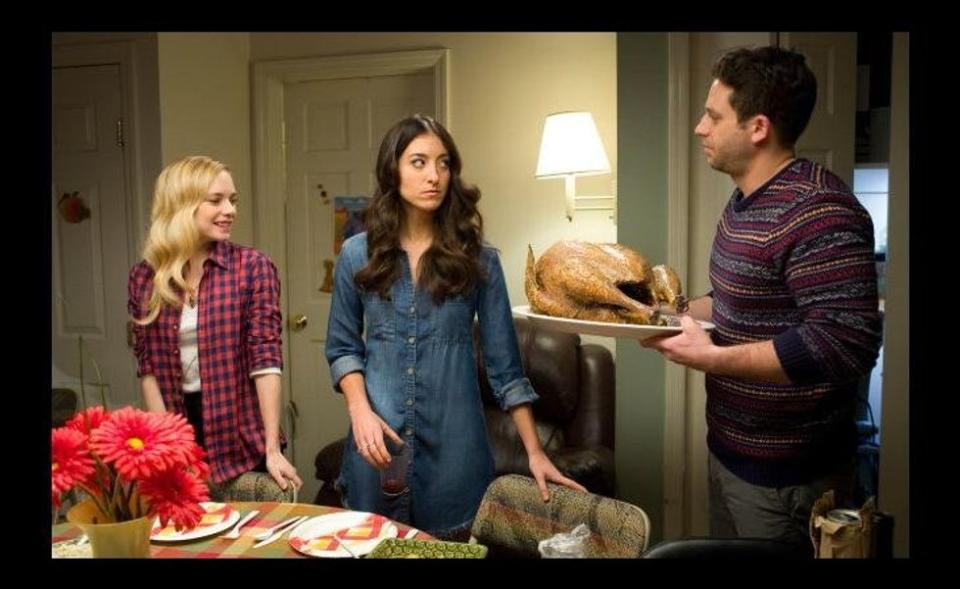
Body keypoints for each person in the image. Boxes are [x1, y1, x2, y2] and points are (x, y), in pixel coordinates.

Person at [642, 47, 882, 554]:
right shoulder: (744, 200)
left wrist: (714, 359)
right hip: (731, 455)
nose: (699, 128)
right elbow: (734, 303)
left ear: (757, 127)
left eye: (713, 115)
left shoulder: (821, 210)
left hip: (791, 480)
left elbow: (844, 344)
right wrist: (668, 314)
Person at [325, 114, 585, 539]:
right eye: (419, 162)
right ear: (393, 169)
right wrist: (360, 412)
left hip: (456, 459)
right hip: (377, 453)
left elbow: (506, 368)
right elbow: (342, 348)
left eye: (444, 163)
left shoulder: (480, 260)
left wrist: (535, 452)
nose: (435, 176)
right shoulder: (357, 254)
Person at [128, 155, 302, 495]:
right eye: (216, 200)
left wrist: (271, 448)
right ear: (182, 205)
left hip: (239, 434)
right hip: (180, 427)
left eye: (233, 200)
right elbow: (147, 367)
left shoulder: (251, 268)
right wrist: (168, 447)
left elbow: (266, 360)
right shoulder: (144, 277)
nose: (230, 210)